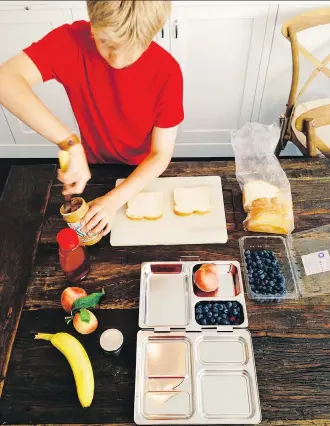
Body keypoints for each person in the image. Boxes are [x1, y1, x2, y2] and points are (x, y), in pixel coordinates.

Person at [0, 0, 184, 237]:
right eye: (106, 43)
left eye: (132, 48)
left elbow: (161, 154)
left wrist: (113, 200)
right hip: (96, 167)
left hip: (144, 173)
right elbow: (5, 81)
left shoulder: (167, 71)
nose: (117, 60)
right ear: (93, 23)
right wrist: (69, 143)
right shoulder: (71, 41)